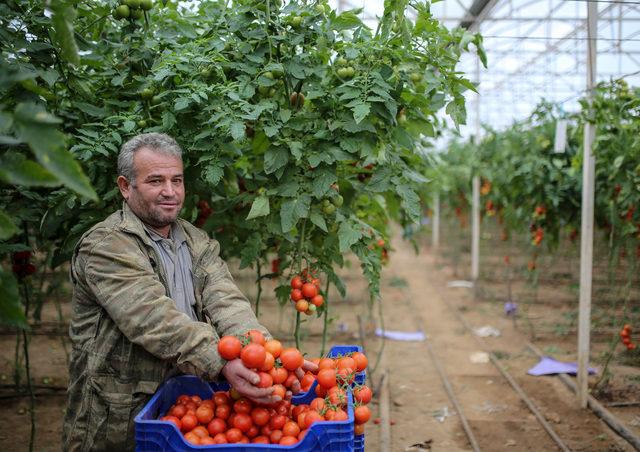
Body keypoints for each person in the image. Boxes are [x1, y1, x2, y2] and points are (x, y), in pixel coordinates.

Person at [62, 133, 312, 451]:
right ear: (126, 187)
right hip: (118, 414)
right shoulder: (106, 246)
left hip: (185, 407)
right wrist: (220, 361)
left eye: (177, 180)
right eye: (155, 181)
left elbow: (227, 302)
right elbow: (151, 317)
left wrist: (263, 356)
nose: (170, 192)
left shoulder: (196, 241)